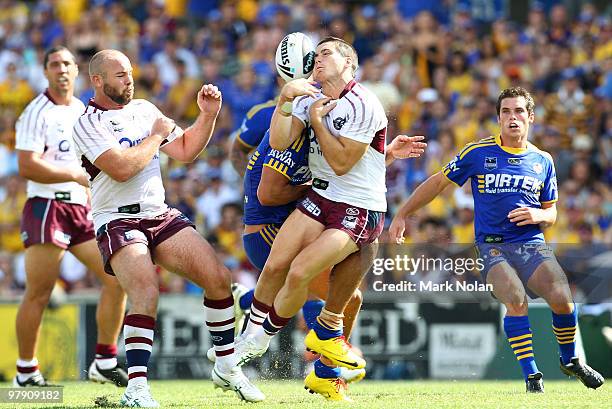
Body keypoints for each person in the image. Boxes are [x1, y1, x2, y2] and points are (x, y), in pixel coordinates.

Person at [71, 49, 263, 407]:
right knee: (146, 290)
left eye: (129, 73)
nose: (128, 80)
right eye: (119, 75)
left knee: (218, 278)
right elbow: (122, 168)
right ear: (97, 80)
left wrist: (207, 116)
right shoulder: (86, 123)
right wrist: (156, 137)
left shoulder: (145, 110)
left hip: (157, 213)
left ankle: (226, 365)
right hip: (117, 217)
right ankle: (137, 388)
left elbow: (188, 149)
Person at [389, 87, 604, 393]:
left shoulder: (543, 160)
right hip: (492, 245)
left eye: (518, 111)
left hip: (531, 243)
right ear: (499, 118)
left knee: (563, 299)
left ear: (530, 117)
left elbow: (551, 212)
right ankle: (532, 376)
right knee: (515, 298)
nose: (512, 117)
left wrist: (539, 216)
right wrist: (402, 214)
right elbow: (438, 182)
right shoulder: (478, 153)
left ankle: (570, 361)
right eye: (506, 112)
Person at [234, 36, 390, 397]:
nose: (317, 59)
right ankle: (258, 340)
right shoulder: (310, 96)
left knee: (302, 272)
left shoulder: (364, 103)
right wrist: (286, 101)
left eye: (326, 53)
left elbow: (341, 162)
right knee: (275, 267)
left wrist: (317, 121)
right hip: (321, 197)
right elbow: (279, 142)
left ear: (348, 63)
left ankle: (325, 340)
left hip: (357, 207)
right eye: (315, 54)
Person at [14, 46, 127, 388]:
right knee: (39, 292)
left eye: (66, 64)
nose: (61, 69)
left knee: (117, 276)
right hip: (47, 206)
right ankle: (26, 372)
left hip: (81, 208)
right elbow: (27, 165)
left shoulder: (82, 109)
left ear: (77, 71)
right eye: (54, 64)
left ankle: (104, 360)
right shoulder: (37, 111)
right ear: (46, 72)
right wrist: (74, 175)